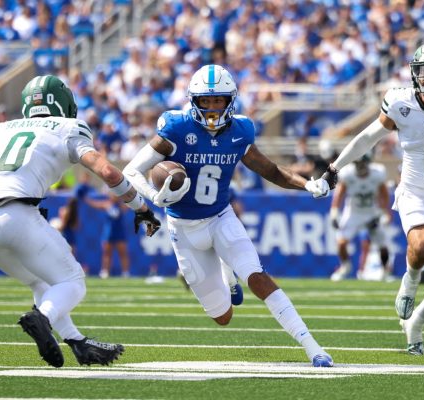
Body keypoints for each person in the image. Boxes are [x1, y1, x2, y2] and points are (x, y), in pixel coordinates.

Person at [0, 75, 161, 368]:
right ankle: (41, 317)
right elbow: (108, 172)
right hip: (18, 216)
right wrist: (141, 207)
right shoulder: (69, 127)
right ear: (63, 102)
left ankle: (76, 341)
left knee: (41, 281)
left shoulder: (3, 129)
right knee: (74, 282)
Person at [123, 64, 334, 367]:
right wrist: (156, 197)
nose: (211, 107)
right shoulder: (176, 128)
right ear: (194, 101)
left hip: (221, 217)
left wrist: (307, 184)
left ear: (230, 100)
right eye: (206, 101)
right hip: (182, 229)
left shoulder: (240, 130)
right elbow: (131, 170)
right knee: (223, 316)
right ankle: (226, 269)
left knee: (257, 277)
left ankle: (313, 347)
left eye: (218, 100)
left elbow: (271, 170)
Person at [315, 41, 424, 355]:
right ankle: (410, 279)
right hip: (414, 190)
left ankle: (416, 323)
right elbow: (368, 137)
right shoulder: (401, 102)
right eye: (422, 70)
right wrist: (334, 168)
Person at [329, 154, 391, 281]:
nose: (360, 166)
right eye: (358, 164)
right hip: (353, 212)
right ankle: (345, 266)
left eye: (362, 163)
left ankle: (385, 271)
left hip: (371, 212)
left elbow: (384, 194)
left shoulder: (377, 173)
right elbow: (340, 192)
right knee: (341, 242)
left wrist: (382, 213)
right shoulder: (348, 174)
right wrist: (334, 211)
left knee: (383, 245)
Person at [84, 193, 131, 279]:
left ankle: (125, 272)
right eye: (113, 194)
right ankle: (105, 271)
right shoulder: (106, 204)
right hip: (109, 232)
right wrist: (86, 199)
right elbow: (95, 204)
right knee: (107, 253)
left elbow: (129, 206)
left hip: (120, 232)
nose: (114, 196)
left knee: (123, 253)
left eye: (116, 194)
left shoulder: (121, 205)